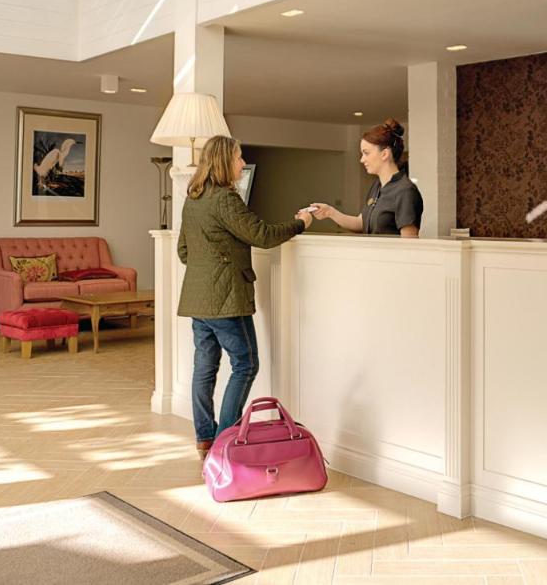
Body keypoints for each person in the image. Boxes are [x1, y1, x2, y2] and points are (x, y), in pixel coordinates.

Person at [177, 135, 313, 463]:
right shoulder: (225, 199)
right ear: (225, 161)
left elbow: (183, 251)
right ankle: (225, 441)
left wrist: (212, 262)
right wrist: (300, 223)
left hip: (198, 300)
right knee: (246, 364)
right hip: (226, 299)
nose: (242, 163)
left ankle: (205, 439)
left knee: (204, 367)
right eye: (238, 158)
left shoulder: (194, 198)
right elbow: (262, 236)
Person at [310, 118, 423, 236]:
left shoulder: (405, 191)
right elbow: (361, 223)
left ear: (385, 154)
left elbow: (409, 242)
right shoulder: (377, 186)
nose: (362, 160)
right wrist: (330, 212)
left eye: (366, 153)